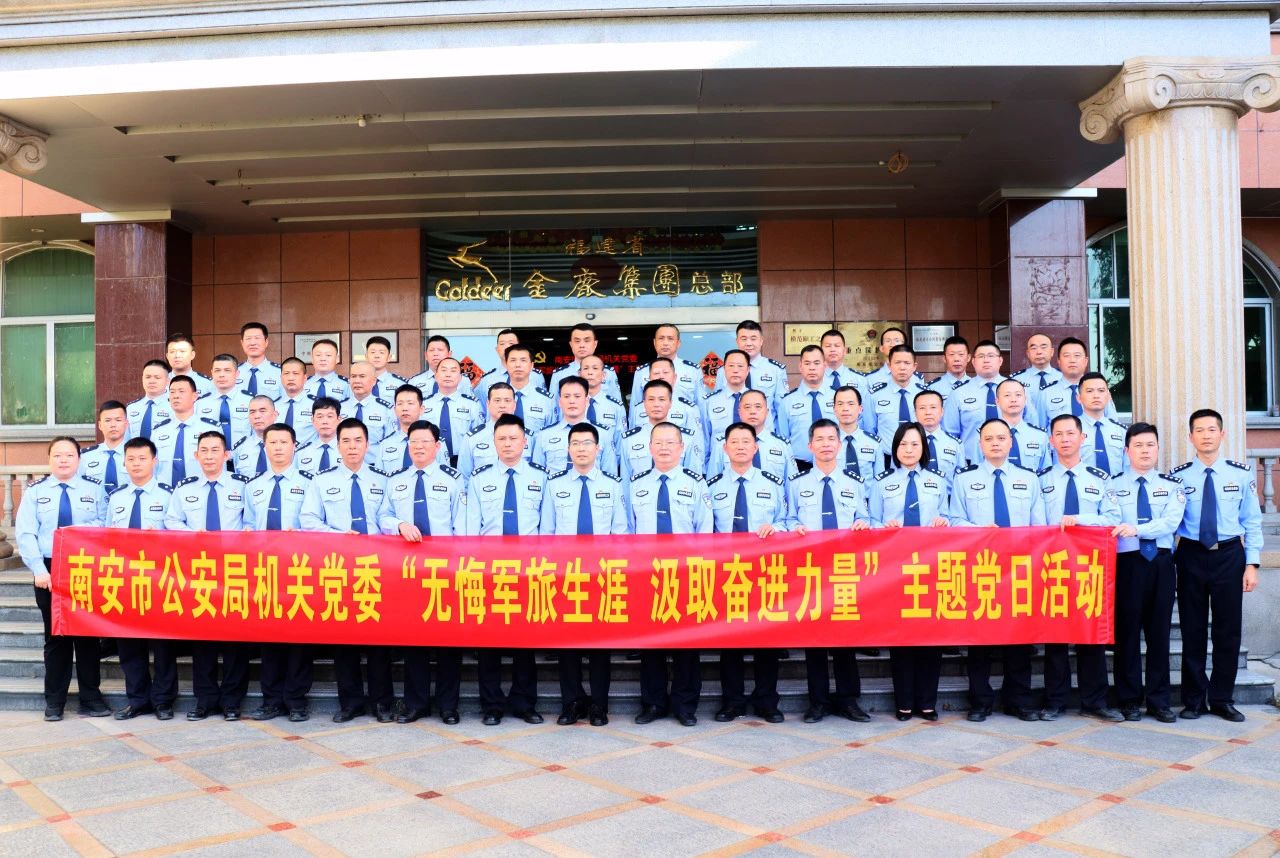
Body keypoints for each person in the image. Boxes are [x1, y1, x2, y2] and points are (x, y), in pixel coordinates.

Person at [299, 418, 396, 722]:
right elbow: (308, 519)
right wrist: (338, 536)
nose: (352, 447)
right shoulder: (322, 481)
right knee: (344, 638)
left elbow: (388, 516)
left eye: (358, 441)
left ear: (367, 445)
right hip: (338, 566)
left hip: (376, 567)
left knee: (379, 639)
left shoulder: (383, 480)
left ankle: (382, 702)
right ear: (337, 445)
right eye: (346, 441)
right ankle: (350, 702)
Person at [950, 418, 1044, 722]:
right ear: (979, 444)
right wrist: (979, 531)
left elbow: (1039, 526)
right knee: (980, 639)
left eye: (1001, 438)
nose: (995, 443)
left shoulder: (1029, 479)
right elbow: (954, 521)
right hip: (981, 567)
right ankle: (980, 701)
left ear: (1010, 442)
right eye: (989, 439)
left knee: (1019, 637)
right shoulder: (964, 479)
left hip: (1019, 567)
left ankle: (1019, 699)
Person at [1171, 409, 1262, 722]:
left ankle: (1222, 698)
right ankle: (1194, 699)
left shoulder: (1241, 474)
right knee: (1192, 629)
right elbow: (1172, 522)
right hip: (1191, 555)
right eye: (1199, 430)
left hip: (1229, 556)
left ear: (1222, 434)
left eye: (1212, 429)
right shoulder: (1178, 477)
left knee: (1228, 631)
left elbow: (1252, 521)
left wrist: (1252, 564)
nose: (1206, 435)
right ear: (1190, 437)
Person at [783, 418, 872, 723]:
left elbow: (866, 517)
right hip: (812, 569)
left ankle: (849, 700)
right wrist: (795, 528)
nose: (825, 444)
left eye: (831, 439)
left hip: (845, 569)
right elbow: (788, 519)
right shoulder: (797, 484)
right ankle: (818, 702)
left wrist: (862, 523)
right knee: (815, 640)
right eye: (819, 439)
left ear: (839, 443)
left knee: (846, 638)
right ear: (810, 446)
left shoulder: (854, 483)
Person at [377, 419, 465, 725]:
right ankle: (416, 703)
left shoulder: (453, 480)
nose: (418, 447)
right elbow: (383, 516)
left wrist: (457, 566)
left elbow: (462, 526)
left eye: (425, 442)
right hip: (408, 571)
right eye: (413, 442)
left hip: (445, 570)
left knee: (449, 641)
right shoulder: (396, 481)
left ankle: (448, 705)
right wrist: (399, 525)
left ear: (437, 446)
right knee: (414, 639)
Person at [539, 422, 628, 726]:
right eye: (575, 443)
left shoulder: (612, 486)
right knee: (567, 645)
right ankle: (571, 702)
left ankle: (599, 705)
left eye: (587, 443)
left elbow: (620, 533)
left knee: (599, 646)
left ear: (598, 448)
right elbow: (547, 532)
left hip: (601, 576)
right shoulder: (555, 486)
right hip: (566, 575)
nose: (581, 449)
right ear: (568, 449)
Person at [16, 437, 110, 721]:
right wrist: (38, 569)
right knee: (56, 636)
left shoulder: (95, 490)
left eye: (69, 455)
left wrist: (79, 530)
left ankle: (91, 698)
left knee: (87, 636)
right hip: (49, 569)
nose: (64, 460)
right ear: (49, 459)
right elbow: (26, 533)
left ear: (78, 459)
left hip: (85, 566)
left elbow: (106, 525)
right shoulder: (35, 492)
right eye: (57, 455)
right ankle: (55, 701)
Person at [1037, 415, 1123, 722]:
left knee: (1091, 636)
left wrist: (1080, 520)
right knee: (1055, 636)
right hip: (1052, 565)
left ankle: (1095, 701)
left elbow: (1112, 518)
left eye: (1070, 433)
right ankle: (1055, 701)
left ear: (1082, 438)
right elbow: (1035, 523)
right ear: (1051, 441)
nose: (1065, 439)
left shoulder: (1100, 479)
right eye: (1058, 434)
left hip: (1089, 566)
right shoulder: (1040, 479)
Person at [464, 414, 547, 725]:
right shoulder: (479, 479)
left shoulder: (541, 478)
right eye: (502, 439)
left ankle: (524, 703)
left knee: (525, 642)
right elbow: (472, 528)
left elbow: (547, 527)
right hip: (490, 569)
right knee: (489, 642)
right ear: (494, 443)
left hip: (528, 570)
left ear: (525, 442)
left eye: (514, 438)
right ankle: (492, 705)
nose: (508, 444)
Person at [165, 430, 252, 721]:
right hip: (199, 570)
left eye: (216, 450)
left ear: (226, 455)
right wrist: (193, 535)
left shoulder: (243, 486)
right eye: (204, 450)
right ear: (196, 455)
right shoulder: (184, 488)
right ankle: (205, 699)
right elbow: (171, 521)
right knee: (203, 638)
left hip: (234, 569)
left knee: (235, 638)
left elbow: (252, 522)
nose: (210, 456)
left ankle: (232, 701)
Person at [630, 422, 712, 727]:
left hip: (686, 573)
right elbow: (628, 531)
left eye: (670, 443)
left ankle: (685, 705)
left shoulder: (695, 483)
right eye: (658, 443)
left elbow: (705, 530)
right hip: (647, 574)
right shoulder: (636, 484)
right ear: (650, 448)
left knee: (686, 645)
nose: (664, 448)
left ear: (681, 447)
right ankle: (653, 703)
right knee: (650, 644)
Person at [708, 423, 788, 723]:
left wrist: (775, 527)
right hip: (727, 572)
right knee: (730, 642)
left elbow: (788, 520)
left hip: (764, 571)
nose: (740, 446)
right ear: (725, 448)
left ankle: (767, 700)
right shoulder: (712, 486)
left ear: (756, 448)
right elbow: (705, 529)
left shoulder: (772, 484)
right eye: (734, 442)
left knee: (767, 639)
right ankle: (733, 701)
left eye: (746, 441)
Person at [870, 422, 949, 721]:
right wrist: (883, 526)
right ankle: (903, 702)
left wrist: (943, 522)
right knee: (901, 635)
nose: (908, 449)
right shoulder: (882, 483)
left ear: (923, 448)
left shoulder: (938, 482)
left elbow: (950, 517)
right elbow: (871, 520)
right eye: (903, 444)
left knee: (931, 635)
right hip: (896, 569)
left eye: (915, 444)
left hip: (931, 566)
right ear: (895, 449)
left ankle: (927, 702)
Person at [1109, 422, 1185, 723]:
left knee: (1159, 634)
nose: (1145, 451)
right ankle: (1128, 700)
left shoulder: (1172, 486)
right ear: (1127, 450)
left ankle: (1159, 701)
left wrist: (1137, 529)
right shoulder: (1112, 485)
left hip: (1161, 564)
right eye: (1138, 445)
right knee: (1126, 634)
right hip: (1127, 563)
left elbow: (1170, 523)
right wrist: (1130, 530)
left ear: (1158, 449)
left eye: (1150, 445)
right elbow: (1111, 520)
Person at [242, 423, 316, 722]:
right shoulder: (253, 486)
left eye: (284, 442)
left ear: (294, 446)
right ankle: (271, 699)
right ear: (265, 447)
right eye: (272, 442)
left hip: (298, 568)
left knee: (298, 638)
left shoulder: (310, 483)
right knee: (269, 636)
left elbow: (314, 522)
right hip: (265, 570)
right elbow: (248, 524)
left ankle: (296, 700)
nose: (278, 448)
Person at [107, 436, 176, 720]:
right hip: (125, 580)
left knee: (162, 645)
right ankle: (137, 700)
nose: (137, 464)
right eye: (131, 459)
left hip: (159, 579)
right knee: (129, 645)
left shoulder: (168, 495)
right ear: (124, 463)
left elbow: (179, 536)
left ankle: (163, 701)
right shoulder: (116, 497)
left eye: (143, 458)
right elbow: (105, 537)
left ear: (154, 461)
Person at [705, 388, 795, 482]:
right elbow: (713, 484)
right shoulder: (722, 444)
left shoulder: (782, 445)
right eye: (747, 407)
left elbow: (792, 485)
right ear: (739, 412)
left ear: (767, 412)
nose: (752, 411)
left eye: (758, 407)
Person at [535, 376, 619, 475]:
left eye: (577, 396)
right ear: (560, 402)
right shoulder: (544, 435)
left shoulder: (603, 434)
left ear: (587, 400)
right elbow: (537, 476)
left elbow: (610, 475)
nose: (572, 401)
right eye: (567, 396)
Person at [621, 380, 704, 479]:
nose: (656, 404)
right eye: (651, 399)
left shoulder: (686, 438)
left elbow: (694, 479)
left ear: (670, 403)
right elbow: (625, 481)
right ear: (644, 403)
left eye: (662, 399)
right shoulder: (629, 440)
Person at [776, 344, 836, 471]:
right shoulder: (787, 401)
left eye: (816, 363)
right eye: (807, 363)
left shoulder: (838, 397)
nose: (812, 368)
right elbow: (783, 440)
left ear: (825, 365)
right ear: (800, 366)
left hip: (834, 463)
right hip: (799, 466)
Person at [970, 378, 1050, 473]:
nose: (1013, 400)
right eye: (1007, 395)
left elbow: (1045, 474)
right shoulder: (983, 435)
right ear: (997, 401)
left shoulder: (1040, 436)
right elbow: (976, 473)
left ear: (1025, 400)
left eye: (1018, 395)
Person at [457, 383, 536, 478]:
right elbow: (464, 477)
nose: (502, 405)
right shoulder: (472, 438)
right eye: (497, 400)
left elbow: (536, 475)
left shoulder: (529, 437)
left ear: (514, 404)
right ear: (488, 404)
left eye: (507, 400)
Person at [1033, 337, 1119, 423]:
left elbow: (1112, 424)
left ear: (1086, 361)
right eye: (1067, 356)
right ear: (1059, 361)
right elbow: (1040, 427)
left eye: (1077, 355)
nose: (1072, 360)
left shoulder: (1100, 391)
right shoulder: (1046, 393)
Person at [942, 340, 1007, 447]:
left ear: (1000, 360)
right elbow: (950, 434)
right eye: (981, 356)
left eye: (991, 356)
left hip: (1009, 455)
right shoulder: (958, 393)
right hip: (971, 456)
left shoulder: (1016, 389)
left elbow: (1028, 425)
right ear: (973, 361)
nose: (986, 360)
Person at [712, 320, 788, 408]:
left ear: (761, 341)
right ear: (737, 341)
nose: (748, 344)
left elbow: (782, 407)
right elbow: (717, 402)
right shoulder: (723, 370)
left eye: (753, 339)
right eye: (744, 339)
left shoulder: (776, 370)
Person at [421, 357, 482, 466]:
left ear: (460, 378)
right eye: (444, 370)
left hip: (463, 461)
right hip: (430, 460)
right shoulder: (423, 404)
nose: (448, 375)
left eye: (453, 371)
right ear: (436, 376)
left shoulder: (472, 405)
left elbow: (478, 437)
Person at [153, 375, 213, 485]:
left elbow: (218, 467)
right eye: (172, 392)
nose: (176, 396)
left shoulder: (210, 429)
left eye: (181, 391)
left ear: (194, 396)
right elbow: (152, 468)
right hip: (165, 491)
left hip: (199, 491)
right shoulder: (158, 430)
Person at [867, 345, 927, 453]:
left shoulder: (925, 394)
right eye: (897, 362)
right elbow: (869, 430)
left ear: (914, 366)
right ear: (889, 365)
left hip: (918, 456)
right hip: (886, 457)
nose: (902, 367)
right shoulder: (875, 395)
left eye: (907, 363)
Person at [630, 323, 703, 410]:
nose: (665, 343)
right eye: (661, 338)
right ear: (654, 342)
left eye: (670, 339)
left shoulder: (693, 371)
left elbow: (701, 406)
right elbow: (635, 407)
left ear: (678, 343)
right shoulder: (642, 372)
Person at [549, 323, 623, 403]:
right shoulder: (559, 374)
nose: (582, 345)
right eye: (577, 341)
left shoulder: (608, 372)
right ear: (571, 344)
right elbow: (552, 405)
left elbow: (617, 404)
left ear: (595, 344)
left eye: (587, 341)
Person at [628, 358, 701, 436]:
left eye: (665, 372)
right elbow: (632, 439)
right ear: (649, 378)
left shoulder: (689, 409)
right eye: (656, 373)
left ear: (674, 377)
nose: (661, 376)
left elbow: (696, 440)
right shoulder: (637, 409)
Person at [195, 354, 253, 450]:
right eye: (217, 370)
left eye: (227, 370)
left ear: (237, 374)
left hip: (244, 456)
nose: (221, 375)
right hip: (211, 457)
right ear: (212, 373)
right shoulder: (200, 404)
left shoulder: (250, 401)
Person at [1076, 372, 1126, 477]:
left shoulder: (1121, 431)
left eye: (1101, 391)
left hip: (1116, 486)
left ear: (1108, 396)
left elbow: (1128, 468)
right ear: (1079, 398)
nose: (1096, 396)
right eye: (1089, 391)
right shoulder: (1072, 430)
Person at [701, 350, 756, 443]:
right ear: (724, 369)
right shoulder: (709, 401)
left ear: (748, 370)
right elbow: (704, 439)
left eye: (740, 366)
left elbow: (766, 434)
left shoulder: (758, 400)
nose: (735, 370)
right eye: (731, 366)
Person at [913, 389, 965, 487]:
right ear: (915, 413)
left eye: (933, 407)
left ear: (942, 411)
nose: (928, 412)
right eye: (922, 408)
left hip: (948, 495)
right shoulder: (905, 443)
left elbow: (962, 479)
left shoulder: (955, 444)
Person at [340, 361, 396, 449]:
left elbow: (391, 442)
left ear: (374, 381)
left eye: (362, 376)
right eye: (353, 376)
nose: (357, 381)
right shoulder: (339, 408)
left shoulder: (386, 409)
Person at [501, 344, 556, 432]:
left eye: (523, 360)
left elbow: (552, 433)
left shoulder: (546, 400)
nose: (518, 365)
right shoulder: (496, 397)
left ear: (531, 365)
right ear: (506, 365)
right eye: (513, 360)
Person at [80, 400, 129, 493]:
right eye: (108, 420)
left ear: (126, 424)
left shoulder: (136, 455)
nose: (113, 425)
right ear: (100, 425)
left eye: (118, 420)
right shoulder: (85, 456)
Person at [377, 384, 426, 473]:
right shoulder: (385, 444)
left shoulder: (435, 442)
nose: (405, 408)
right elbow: (379, 478)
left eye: (410, 403)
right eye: (400, 404)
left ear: (421, 409)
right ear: (395, 410)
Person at [473, 329, 525, 410]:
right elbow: (481, 409)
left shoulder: (535, 376)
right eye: (502, 344)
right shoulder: (486, 379)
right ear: (497, 349)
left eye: (511, 343)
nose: (507, 347)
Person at [409, 334, 474, 398]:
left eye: (440, 350)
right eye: (431, 350)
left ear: (449, 354)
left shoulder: (463, 380)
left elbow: (469, 403)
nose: (435, 354)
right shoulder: (414, 381)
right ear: (426, 355)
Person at [127, 359, 176, 440]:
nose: (152, 381)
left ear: (168, 381)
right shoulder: (131, 408)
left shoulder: (175, 407)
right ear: (142, 379)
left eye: (157, 377)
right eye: (148, 377)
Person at [231, 395, 278, 477]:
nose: (257, 416)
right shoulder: (240, 448)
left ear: (275, 415)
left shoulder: (288, 445)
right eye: (252, 412)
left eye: (262, 411)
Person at [580, 354, 628, 433]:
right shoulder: (571, 404)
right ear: (579, 374)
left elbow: (621, 438)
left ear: (603, 375)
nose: (590, 372)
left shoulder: (616, 407)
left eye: (595, 368)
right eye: (586, 368)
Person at [294, 396, 343, 474]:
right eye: (320, 417)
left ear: (339, 420)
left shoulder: (348, 450)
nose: (325, 421)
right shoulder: (301, 453)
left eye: (330, 416)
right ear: (313, 420)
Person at [236, 321, 282, 400]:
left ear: (266, 342)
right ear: (242, 343)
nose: (252, 343)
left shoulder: (280, 372)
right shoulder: (233, 372)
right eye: (248, 338)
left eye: (257, 338)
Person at [277, 356, 316, 446]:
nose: (291, 378)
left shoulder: (316, 405)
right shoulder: (273, 406)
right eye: (286, 373)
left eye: (295, 373)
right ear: (281, 377)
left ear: (305, 378)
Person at [818, 328, 865, 400]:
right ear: (820, 350)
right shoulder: (814, 379)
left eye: (837, 346)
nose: (832, 349)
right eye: (828, 346)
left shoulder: (858, 379)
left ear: (845, 350)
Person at [165, 333, 215, 397]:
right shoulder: (159, 383)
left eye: (182, 351)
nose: (177, 355)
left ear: (192, 355)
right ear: (167, 356)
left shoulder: (207, 383)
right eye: (172, 352)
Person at [928, 335, 971, 407]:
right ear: (944, 358)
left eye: (961, 354)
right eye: (952, 354)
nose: (956, 359)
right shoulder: (933, 388)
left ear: (968, 358)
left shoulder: (976, 386)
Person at [303, 338, 350, 402]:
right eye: (318, 355)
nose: (323, 359)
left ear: (337, 359)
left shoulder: (347, 384)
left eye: (328, 355)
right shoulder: (302, 384)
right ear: (312, 359)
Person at [364, 335, 408, 401]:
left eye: (381, 352)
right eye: (373, 352)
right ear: (366, 357)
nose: (377, 356)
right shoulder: (356, 383)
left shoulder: (401, 383)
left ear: (389, 357)